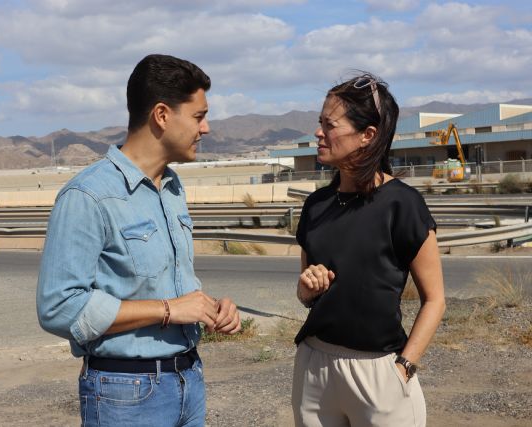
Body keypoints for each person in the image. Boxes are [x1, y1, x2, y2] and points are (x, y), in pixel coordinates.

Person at [36, 54, 241, 427]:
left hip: (188, 379)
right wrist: (167, 309)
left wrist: (209, 307)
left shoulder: (173, 188)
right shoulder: (89, 195)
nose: (206, 128)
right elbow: (58, 306)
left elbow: (161, 284)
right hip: (125, 393)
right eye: (198, 116)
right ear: (162, 115)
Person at [291, 73, 446, 427]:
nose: (318, 133)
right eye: (320, 123)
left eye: (329, 125)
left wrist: (405, 366)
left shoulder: (403, 204)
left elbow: (435, 299)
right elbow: (307, 295)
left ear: (368, 135)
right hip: (315, 366)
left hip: (380, 373)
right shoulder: (315, 205)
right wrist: (305, 290)